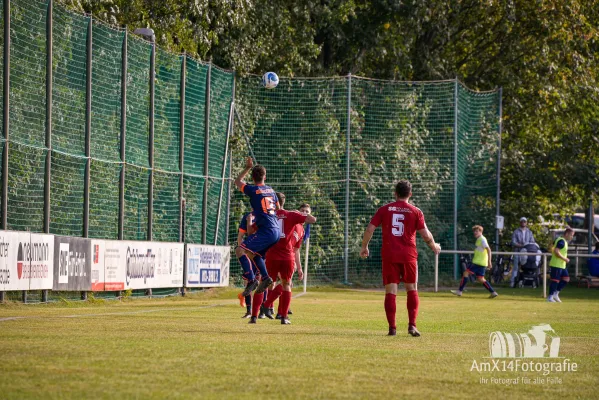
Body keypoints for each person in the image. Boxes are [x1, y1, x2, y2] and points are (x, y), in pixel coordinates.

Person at [359, 180, 441, 337]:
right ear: (410, 194)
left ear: (395, 193)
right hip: (409, 255)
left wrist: (364, 246)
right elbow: (425, 235)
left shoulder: (384, 209)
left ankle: (392, 328)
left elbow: (370, 229)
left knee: (391, 290)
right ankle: (412, 326)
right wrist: (434, 246)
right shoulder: (416, 211)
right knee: (412, 288)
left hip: (389, 254)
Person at [258, 193, 316, 325]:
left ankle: (262, 310)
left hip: (272, 255)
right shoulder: (292, 216)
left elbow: (256, 229)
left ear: (273, 202)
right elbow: (313, 220)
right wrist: (299, 214)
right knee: (286, 284)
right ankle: (281, 315)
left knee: (267, 282)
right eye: (302, 211)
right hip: (287, 256)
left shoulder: (268, 215)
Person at [234, 157, 280, 301]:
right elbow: (278, 208)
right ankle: (265, 277)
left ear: (253, 177)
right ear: (264, 177)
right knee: (255, 254)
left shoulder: (253, 190)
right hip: (275, 230)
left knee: (240, 250)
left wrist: (247, 167)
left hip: (266, 231)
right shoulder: (271, 190)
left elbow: (237, 182)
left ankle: (252, 279)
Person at [451, 225, 498, 298]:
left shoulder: (482, 240)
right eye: (474, 231)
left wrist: (490, 262)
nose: (475, 233)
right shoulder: (479, 239)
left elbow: (489, 249)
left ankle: (459, 291)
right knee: (480, 279)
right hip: (482, 263)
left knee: (466, 273)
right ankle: (493, 292)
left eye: (476, 231)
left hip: (478, 262)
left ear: (480, 231)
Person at [547, 228, 574, 303]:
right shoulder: (561, 241)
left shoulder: (561, 240)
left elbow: (551, 246)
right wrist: (565, 259)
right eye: (571, 235)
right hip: (556, 264)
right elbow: (556, 251)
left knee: (566, 279)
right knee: (555, 281)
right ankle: (550, 297)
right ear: (566, 234)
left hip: (562, 265)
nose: (572, 237)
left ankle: (556, 293)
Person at [511, 217, 536, 287]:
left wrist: (526, 246)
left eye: (524, 222)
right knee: (516, 267)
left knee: (527, 267)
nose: (523, 223)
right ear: (520, 222)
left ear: (526, 223)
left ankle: (526, 282)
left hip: (526, 253)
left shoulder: (529, 232)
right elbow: (513, 242)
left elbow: (532, 242)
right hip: (517, 252)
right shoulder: (516, 231)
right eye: (522, 221)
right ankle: (513, 283)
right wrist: (522, 245)